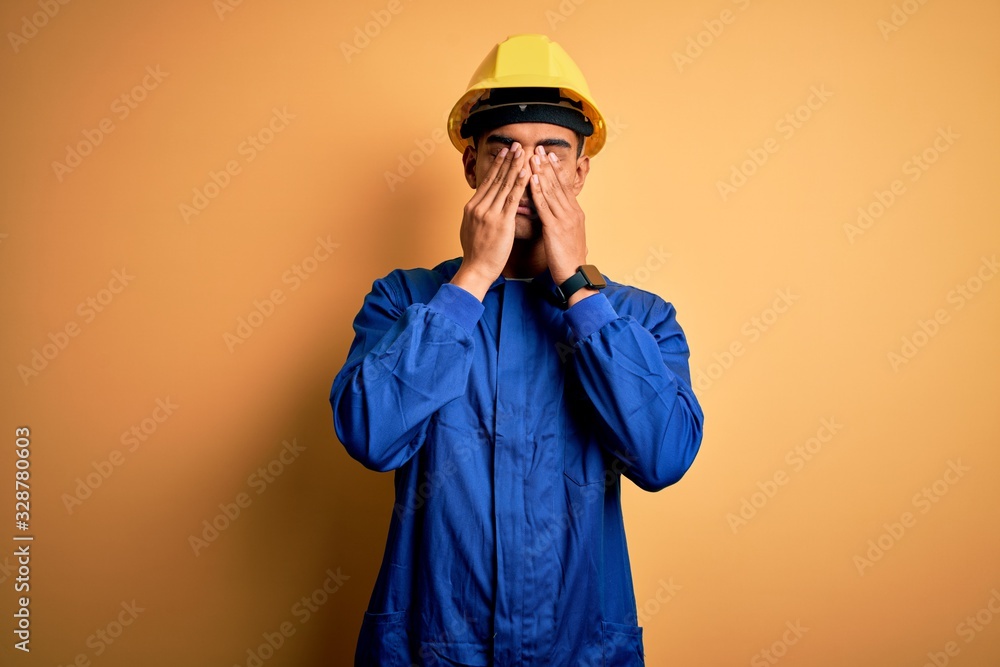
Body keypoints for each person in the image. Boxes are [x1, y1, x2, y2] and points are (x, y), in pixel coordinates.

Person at [330, 33, 704, 667]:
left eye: (551, 152)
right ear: (471, 165)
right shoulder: (403, 300)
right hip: (428, 651)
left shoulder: (640, 317)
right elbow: (370, 435)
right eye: (504, 150)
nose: (528, 173)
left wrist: (580, 290)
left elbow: (662, 457)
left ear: (581, 171)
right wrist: (472, 277)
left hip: (579, 649)